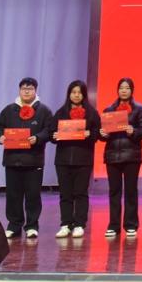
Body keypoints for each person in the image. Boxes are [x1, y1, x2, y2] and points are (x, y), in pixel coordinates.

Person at [0, 77, 54, 239]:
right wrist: (0, 137)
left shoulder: (44, 111)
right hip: (12, 160)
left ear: (35, 91)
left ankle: (32, 226)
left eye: (30, 88)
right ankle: (14, 225)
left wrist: (38, 138)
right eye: (24, 89)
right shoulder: (9, 110)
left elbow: (50, 130)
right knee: (13, 195)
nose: (27, 91)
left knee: (33, 195)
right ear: (19, 91)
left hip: (34, 160)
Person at [50, 79, 101, 238]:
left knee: (81, 193)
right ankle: (65, 224)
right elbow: (51, 133)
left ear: (84, 94)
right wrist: (54, 136)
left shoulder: (92, 113)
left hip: (83, 160)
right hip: (63, 160)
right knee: (65, 193)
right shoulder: (61, 112)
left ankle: (79, 224)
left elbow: (98, 133)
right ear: (69, 94)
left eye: (79, 92)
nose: (76, 95)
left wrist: (89, 134)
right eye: (73, 92)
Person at [99, 77, 142, 238]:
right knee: (114, 191)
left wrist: (134, 131)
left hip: (132, 155)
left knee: (131, 191)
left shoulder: (140, 109)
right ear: (117, 90)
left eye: (127, 88)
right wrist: (103, 134)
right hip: (112, 155)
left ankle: (131, 224)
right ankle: (113, 225)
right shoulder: (109, 110)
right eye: (121, 88)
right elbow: (102, 135)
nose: (124, 91)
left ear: (132, 90)